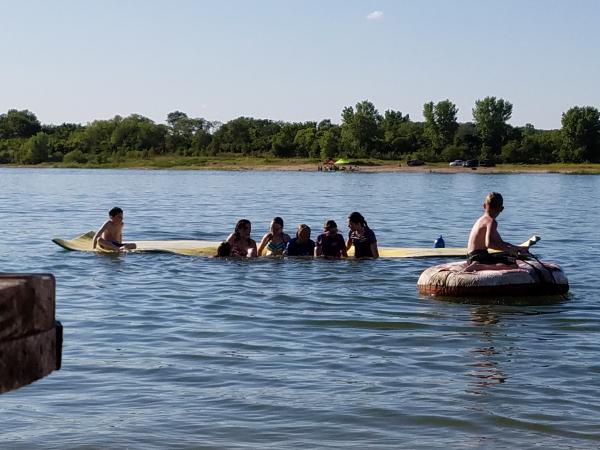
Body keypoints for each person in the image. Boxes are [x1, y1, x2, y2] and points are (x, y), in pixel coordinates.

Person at [467, 192, 529, 265]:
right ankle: (477, 265)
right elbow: (489, 244)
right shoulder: (491, 221)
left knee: (508, 255)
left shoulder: (481, 220)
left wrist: (518, 248)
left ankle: (477, 264)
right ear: (501, 209)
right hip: (479, 257)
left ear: (484, 206)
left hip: (472, 256)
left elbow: (500, 243)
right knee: (512, 261)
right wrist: (508, 250)